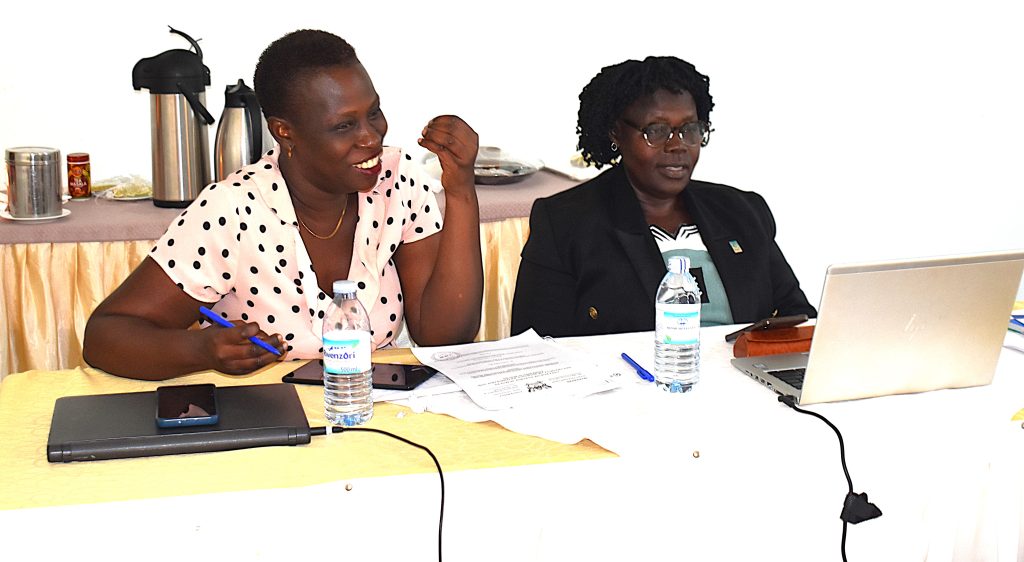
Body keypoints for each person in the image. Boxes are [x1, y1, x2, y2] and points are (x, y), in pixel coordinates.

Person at [83, 30, 484, 380]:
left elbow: (444, 337)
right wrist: (201, 350)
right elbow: (105, 336)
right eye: (344, 126)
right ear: (284, 132)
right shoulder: (234, 210)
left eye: (373, 113)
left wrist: (461, 190)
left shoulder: (397, 183)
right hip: (268, 433)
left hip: (372, 414)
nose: (371, 138)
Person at [511, 56, 815, 337]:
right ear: (616, 132)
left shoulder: (743, 211)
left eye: (690, 129)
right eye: (656, 131)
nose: (677, 145)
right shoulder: (566, 221)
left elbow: (799, 318)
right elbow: (534, 347)